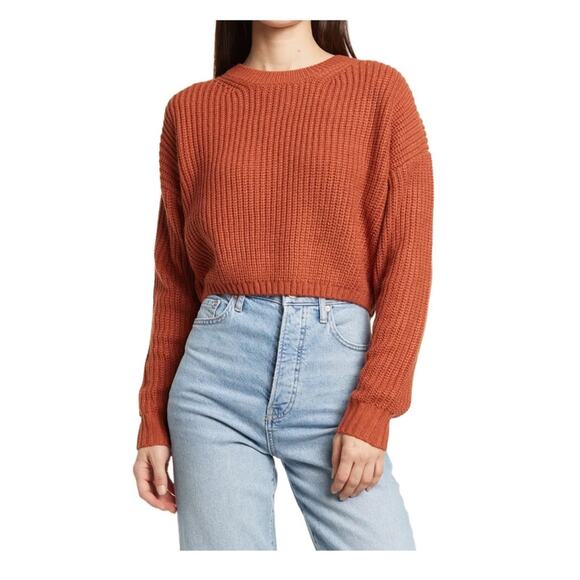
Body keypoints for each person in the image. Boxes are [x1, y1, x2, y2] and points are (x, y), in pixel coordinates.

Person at [132, 19, 433, 550]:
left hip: (337, 384)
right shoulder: (190, 110)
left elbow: (408, 263)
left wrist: (376, 405)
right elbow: (174, 282)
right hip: (212, 386)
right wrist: (152, 418)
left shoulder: (378, 90)